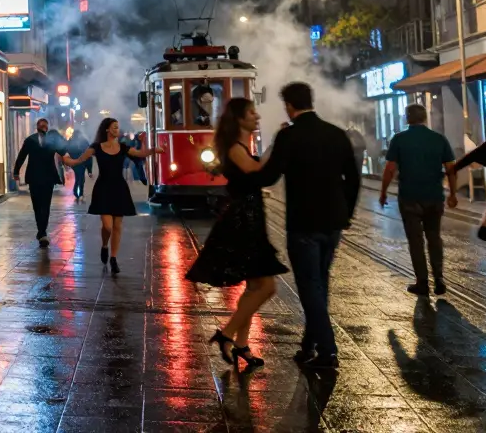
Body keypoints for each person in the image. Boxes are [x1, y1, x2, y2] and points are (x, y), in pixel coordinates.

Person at [252, 82, 360, 370]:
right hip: (333, 222)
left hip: (303, 223)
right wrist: (345, 213)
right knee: (320, 282)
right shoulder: (336, 134)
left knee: (310, 286)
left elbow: (269, 177)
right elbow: (353, 178)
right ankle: (309, 345)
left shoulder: (289, 136)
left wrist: (242, 171)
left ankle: (328, 351)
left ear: (289, 105)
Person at [186, 98, 288, 370]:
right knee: (266, 286)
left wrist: (272, 146)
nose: (256, 116)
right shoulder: (233, 148)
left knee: (254, 287)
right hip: (243, 220)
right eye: (251, 112)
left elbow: (259, 166)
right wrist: (277, 144)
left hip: (250, 217)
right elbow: (256, 170)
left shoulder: (241, 146)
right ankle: (227, 334)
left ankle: (241, 344)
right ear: (239, 119)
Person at [63, 118, 162, 275]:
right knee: (107, 226)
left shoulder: (122, 147)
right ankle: (104, 245)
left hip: (119, 188)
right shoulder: (96, 147)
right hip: (103, 188)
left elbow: (141, 154)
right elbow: (78, 161)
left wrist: (153, 149)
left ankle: (113, 258)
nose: (117, 130)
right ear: (107, 130)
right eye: (114, 127)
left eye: (118, 127)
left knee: (117, 226)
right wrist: (67, 160)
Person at [379, 105, 458, 296]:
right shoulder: (438, 139)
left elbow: (390, 168)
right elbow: (450, 168)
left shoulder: (399, 139)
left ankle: (422, 282)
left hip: (409, 197)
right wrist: (453, 194)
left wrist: (383, 192)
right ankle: (439, 278)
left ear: (407, 118)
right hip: (434, 196)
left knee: (415, 241)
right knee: (434, 237)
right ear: (424, 118)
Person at [13, 118, 65, 247]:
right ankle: (41, 231)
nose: (43, 127)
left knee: (45, 206)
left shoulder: (52, 141)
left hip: (48, 178)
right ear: (37, 127)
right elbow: (21, 156)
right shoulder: (30, 140)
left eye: (45, 125)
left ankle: (42, 233)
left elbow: (63, 152)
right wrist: (16, 172)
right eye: (41, 125)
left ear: (47, 127)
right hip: (34, 177)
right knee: (37, 206)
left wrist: (59, 138)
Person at [62, 127, 92, 200]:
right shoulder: (84, 142)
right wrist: (89, 170)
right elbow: (89, 155)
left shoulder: (71, 141)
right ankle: (79, 193)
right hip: (81, 162)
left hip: (74, 162)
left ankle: (76, 193)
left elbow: (66, 151)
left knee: (78, 177)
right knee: (80, 178)